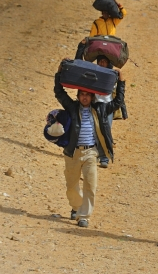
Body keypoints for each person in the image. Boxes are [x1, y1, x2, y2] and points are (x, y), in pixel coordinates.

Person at [54, 60, 126, 227]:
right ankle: (76, 206)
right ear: (78, 96)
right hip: (72, 153)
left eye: (88, 94)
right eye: (82, 94)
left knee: (90, 185)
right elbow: (59, 92)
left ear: (92, 96)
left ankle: (84, 216)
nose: (85, 97)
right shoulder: (72, 107)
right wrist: (58, 73)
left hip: (90, 154)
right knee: (71, 187)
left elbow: (117, 102)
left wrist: (121, 82)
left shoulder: (100, 109)